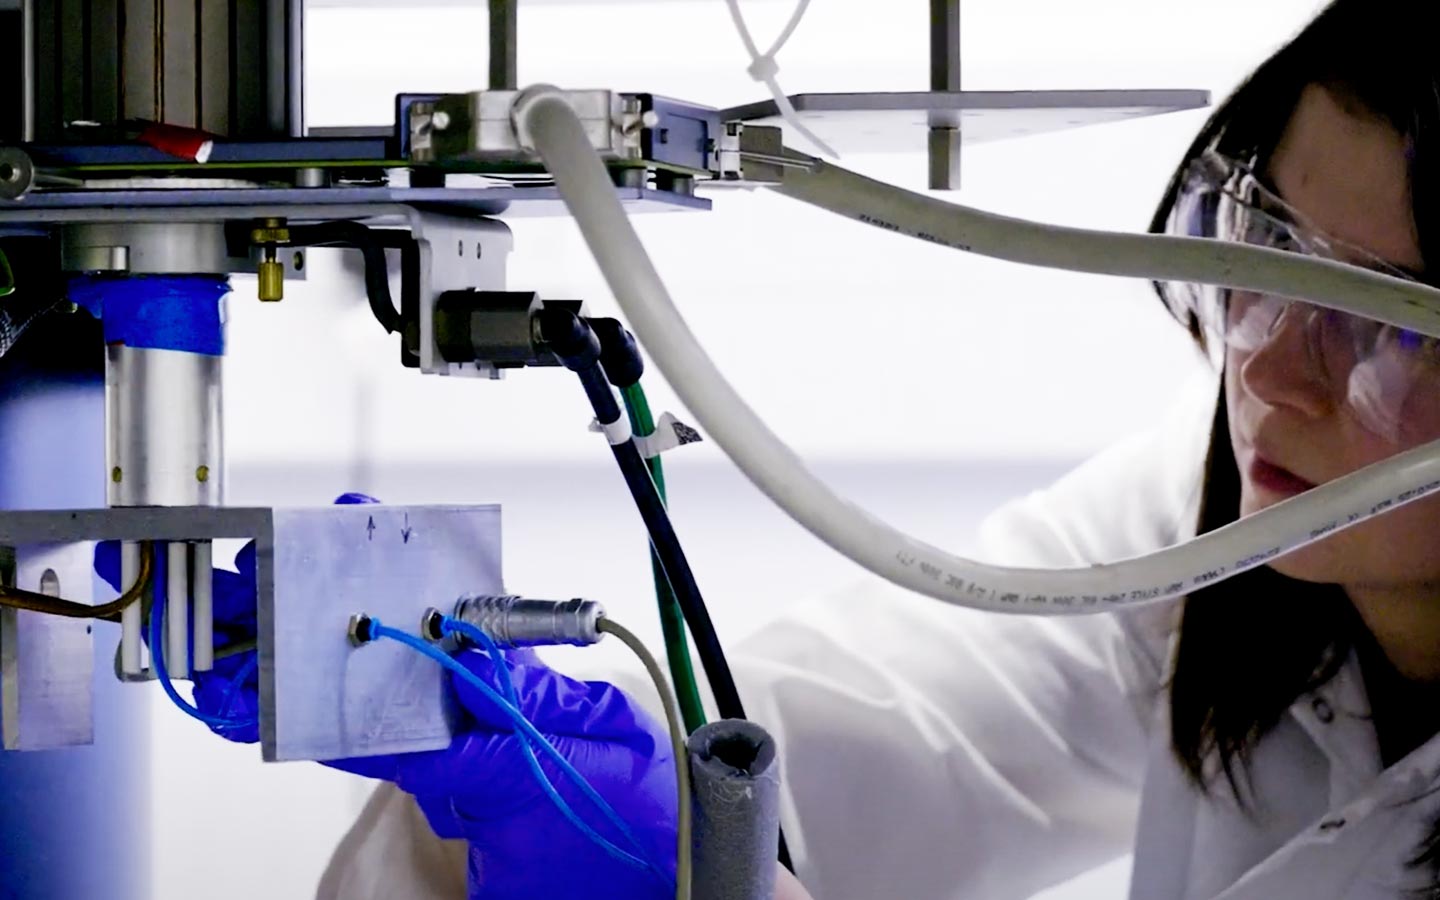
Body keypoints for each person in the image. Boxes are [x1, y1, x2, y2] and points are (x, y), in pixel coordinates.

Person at [107, 1, 1440, 895]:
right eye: (1261, 245)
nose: (1264, 366)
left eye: (1379, 327)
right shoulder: (1205, 526)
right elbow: (870, 740)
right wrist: (580, 782)